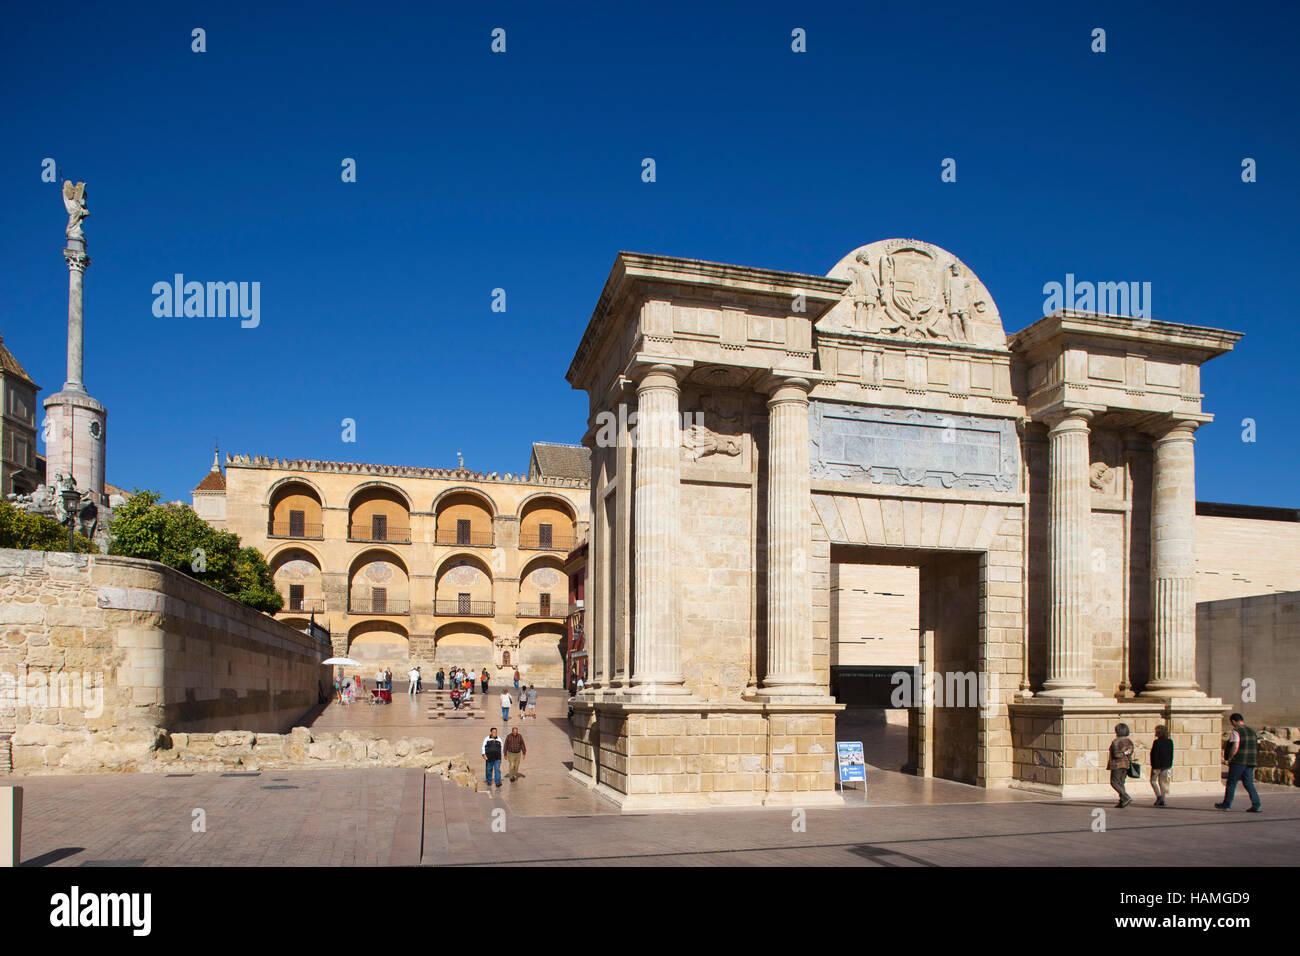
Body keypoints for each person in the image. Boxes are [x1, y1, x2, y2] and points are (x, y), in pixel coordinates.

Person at [1217, 713, 1262, 812]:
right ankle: (1256, 804)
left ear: (1233, 721)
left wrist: (1230, 757)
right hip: (1250, 761)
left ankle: (1227, 804)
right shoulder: (1252, 731)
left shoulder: (1236, 731)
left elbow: (1235, 746)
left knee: (1231, 783)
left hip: (1239, 761)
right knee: (1249, 783)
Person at [1107, 723, 1135, 808]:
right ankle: (1122, 800)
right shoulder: (1129, 741)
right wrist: (1125, 753)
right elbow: (1130, 752)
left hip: (1117, 764)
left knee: (1114, 782)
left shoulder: (1116, 741)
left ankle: (1126, 797)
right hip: (1127, 764)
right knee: (1121, 782)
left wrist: (1121, 753)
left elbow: (1116, 754)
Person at [1150, 724, 1173, 806]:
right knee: (1162, 782)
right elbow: (1171, 754)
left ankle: (1159, 797)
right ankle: (1162, 799)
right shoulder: (1170, 742)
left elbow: (1155, 755)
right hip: (1166, 765)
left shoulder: (1156, 742)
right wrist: (1169, 765)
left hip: (1157, 765)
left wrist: (1155, 767)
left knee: (1153, 781)